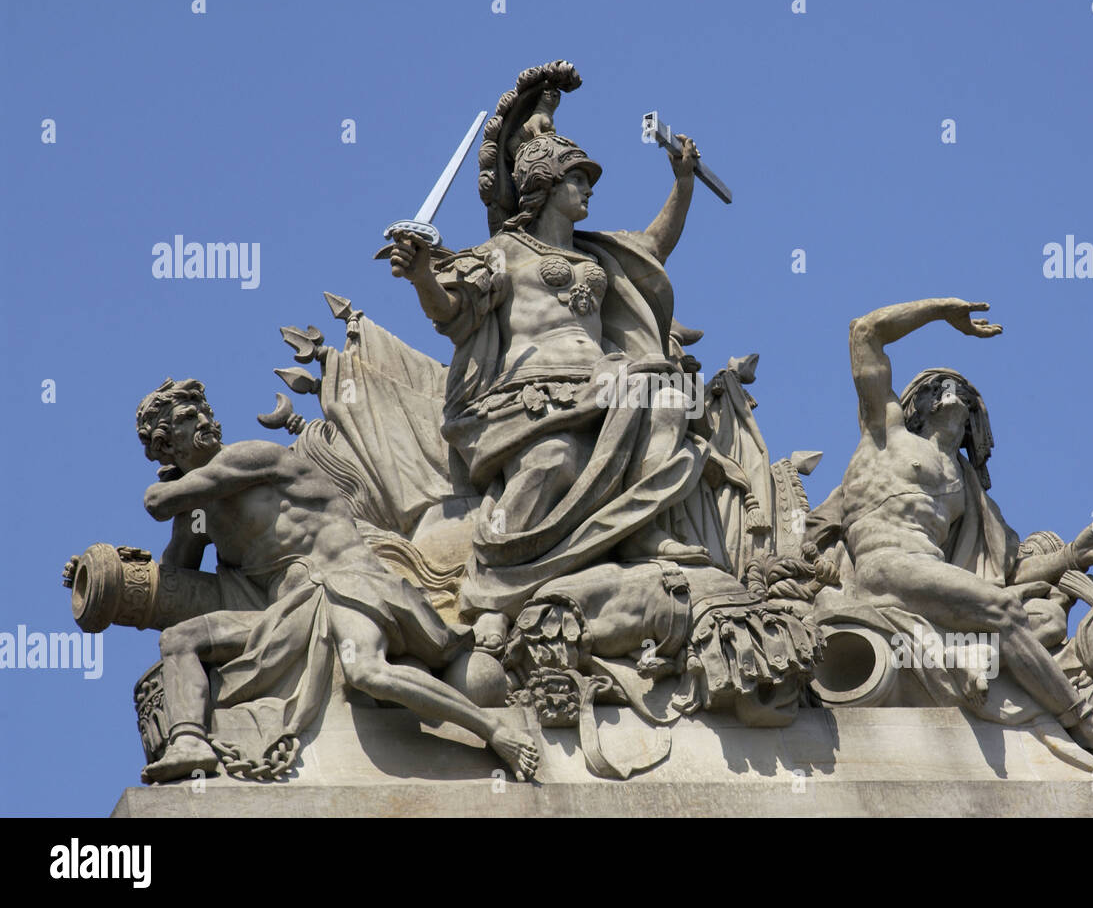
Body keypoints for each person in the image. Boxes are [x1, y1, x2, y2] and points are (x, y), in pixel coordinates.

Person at [388, 95, 724, 640]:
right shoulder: (503, 252)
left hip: (606, 384)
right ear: (545, 184)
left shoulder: (598, 256)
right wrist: (423, 275)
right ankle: (493, 590)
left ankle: (638, 528)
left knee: (665, 391)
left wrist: (682, 186)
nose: (588, 188)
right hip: (532, 396)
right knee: (553, 462)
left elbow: (653, 247)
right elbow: (452, 314)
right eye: (577, 178)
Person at [134, 378, 539, 782]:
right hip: (287, 614)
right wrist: (119, 570)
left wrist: (174, 491)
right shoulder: (195, 516)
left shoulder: (248, 459)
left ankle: (495, 730)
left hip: (344, 584)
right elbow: (177, 583)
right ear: (166, 444)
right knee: (179, 640)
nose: (206, 419)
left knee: (366, 672)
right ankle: (189, 742)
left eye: (205, 410)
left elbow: (157, 502)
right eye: (190, 417)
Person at [836, 298, 1093, 755]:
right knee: (1003, 609)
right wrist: (944, 312)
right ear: (918, 401)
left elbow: (1004, 572)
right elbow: (864, 331)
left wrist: (1074, 556)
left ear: (973, 418)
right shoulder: (885, 432)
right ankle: (1085, 723)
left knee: (1028, 612)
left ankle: (981, 660)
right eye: (939, 385)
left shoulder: (970, 493)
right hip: (884, 564)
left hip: (929, 575)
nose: (951, 390)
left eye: (961, 389)